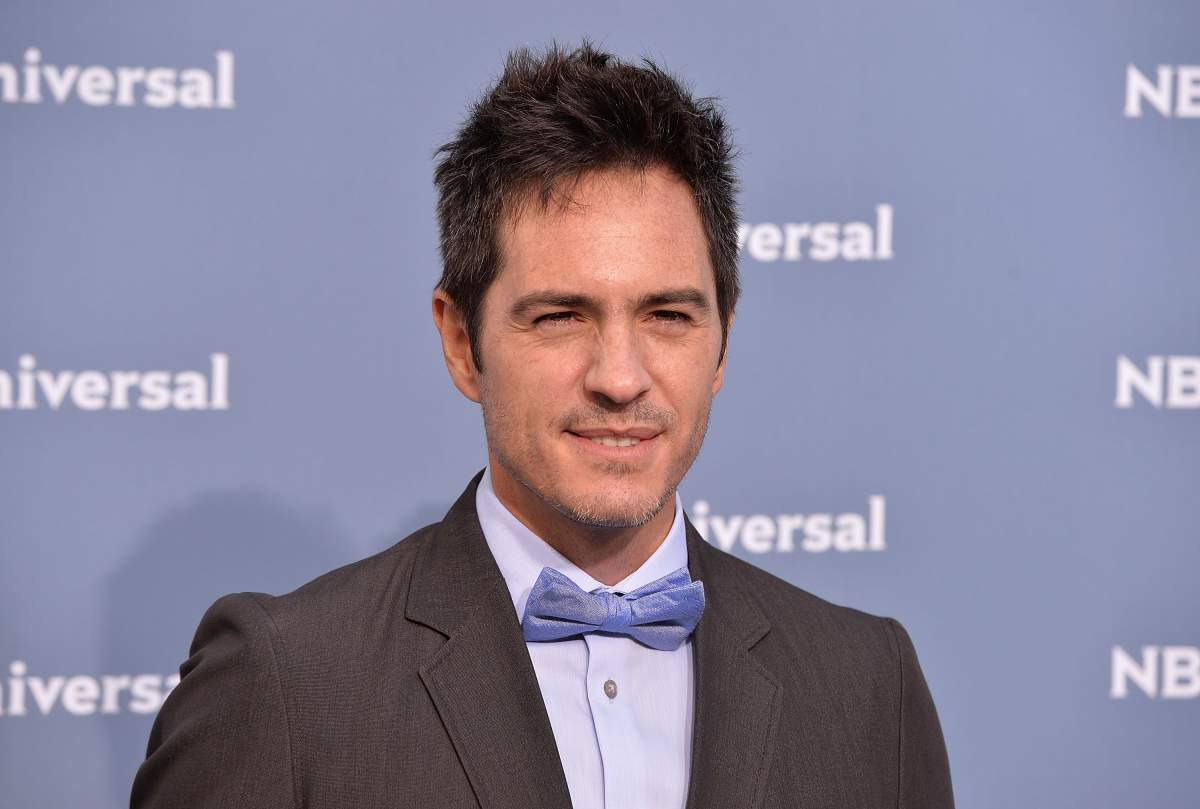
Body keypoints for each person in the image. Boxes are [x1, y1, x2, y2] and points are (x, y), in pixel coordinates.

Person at [131, 41, 954, 809]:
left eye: (668, 315)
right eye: (561, 316)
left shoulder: (867, 684)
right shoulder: (289, 680)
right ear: (462, 343)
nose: (620, 378)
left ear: (723, 343)